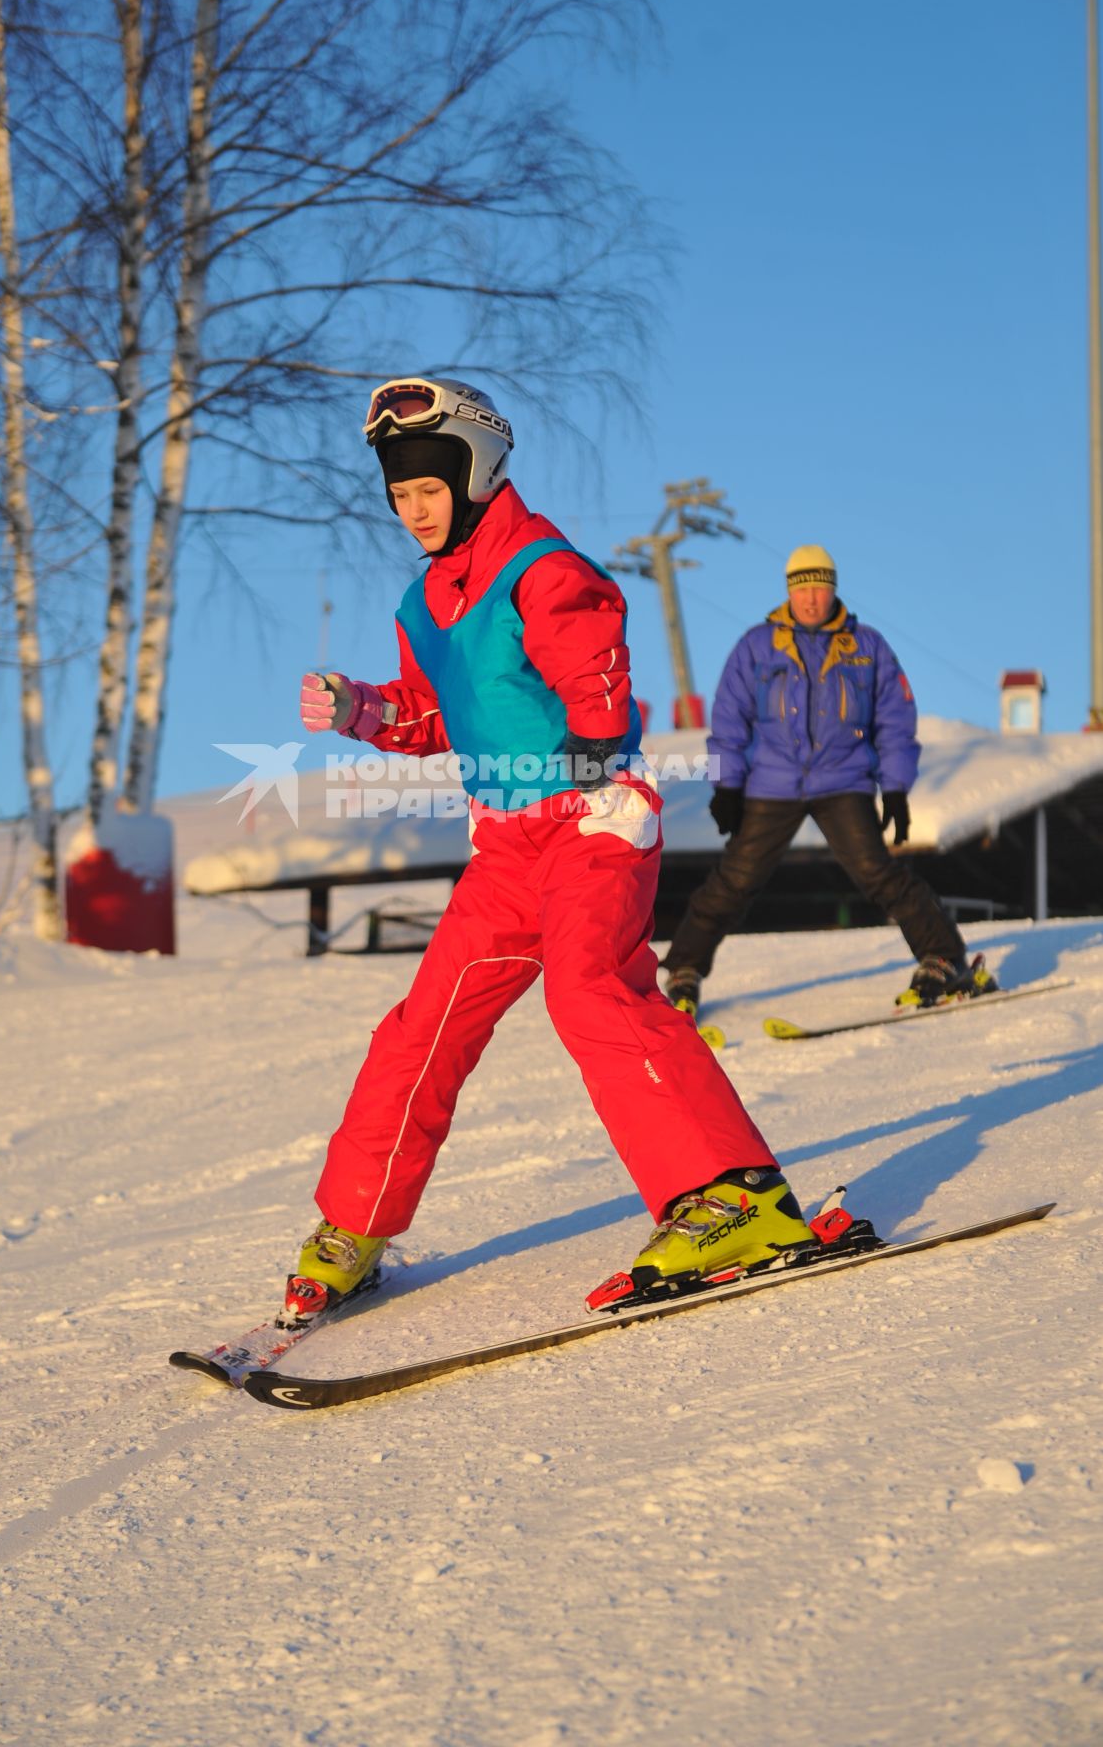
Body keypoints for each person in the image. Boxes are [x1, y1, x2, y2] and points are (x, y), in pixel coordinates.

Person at [285, 375, 818, 1320]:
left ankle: (731, 1192)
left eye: (427, 491)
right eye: (398, 495)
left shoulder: (540, 565)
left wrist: (593, 724)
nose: (412, 511)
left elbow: (595, 649)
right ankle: (353, 1225)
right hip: (506, 847)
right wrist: (362, 707)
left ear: (476, 472)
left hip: (591, 824)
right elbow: (434, 715)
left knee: (591, 987)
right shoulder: (424, 604)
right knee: (424, 1026)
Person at [661, 544, 995, 1016]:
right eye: (802, 589)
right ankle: (684, 971)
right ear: (788, 592)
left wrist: (895, 787)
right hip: (771, 783)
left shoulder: (867, 647)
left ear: (833, 589)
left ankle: (944, 957)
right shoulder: (758, 646)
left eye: (820, 587)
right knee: (735, 880)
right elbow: (729, 720)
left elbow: (895, 720)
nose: (812, 599)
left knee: (880, 874)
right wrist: (728, 785)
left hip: (844, 780)